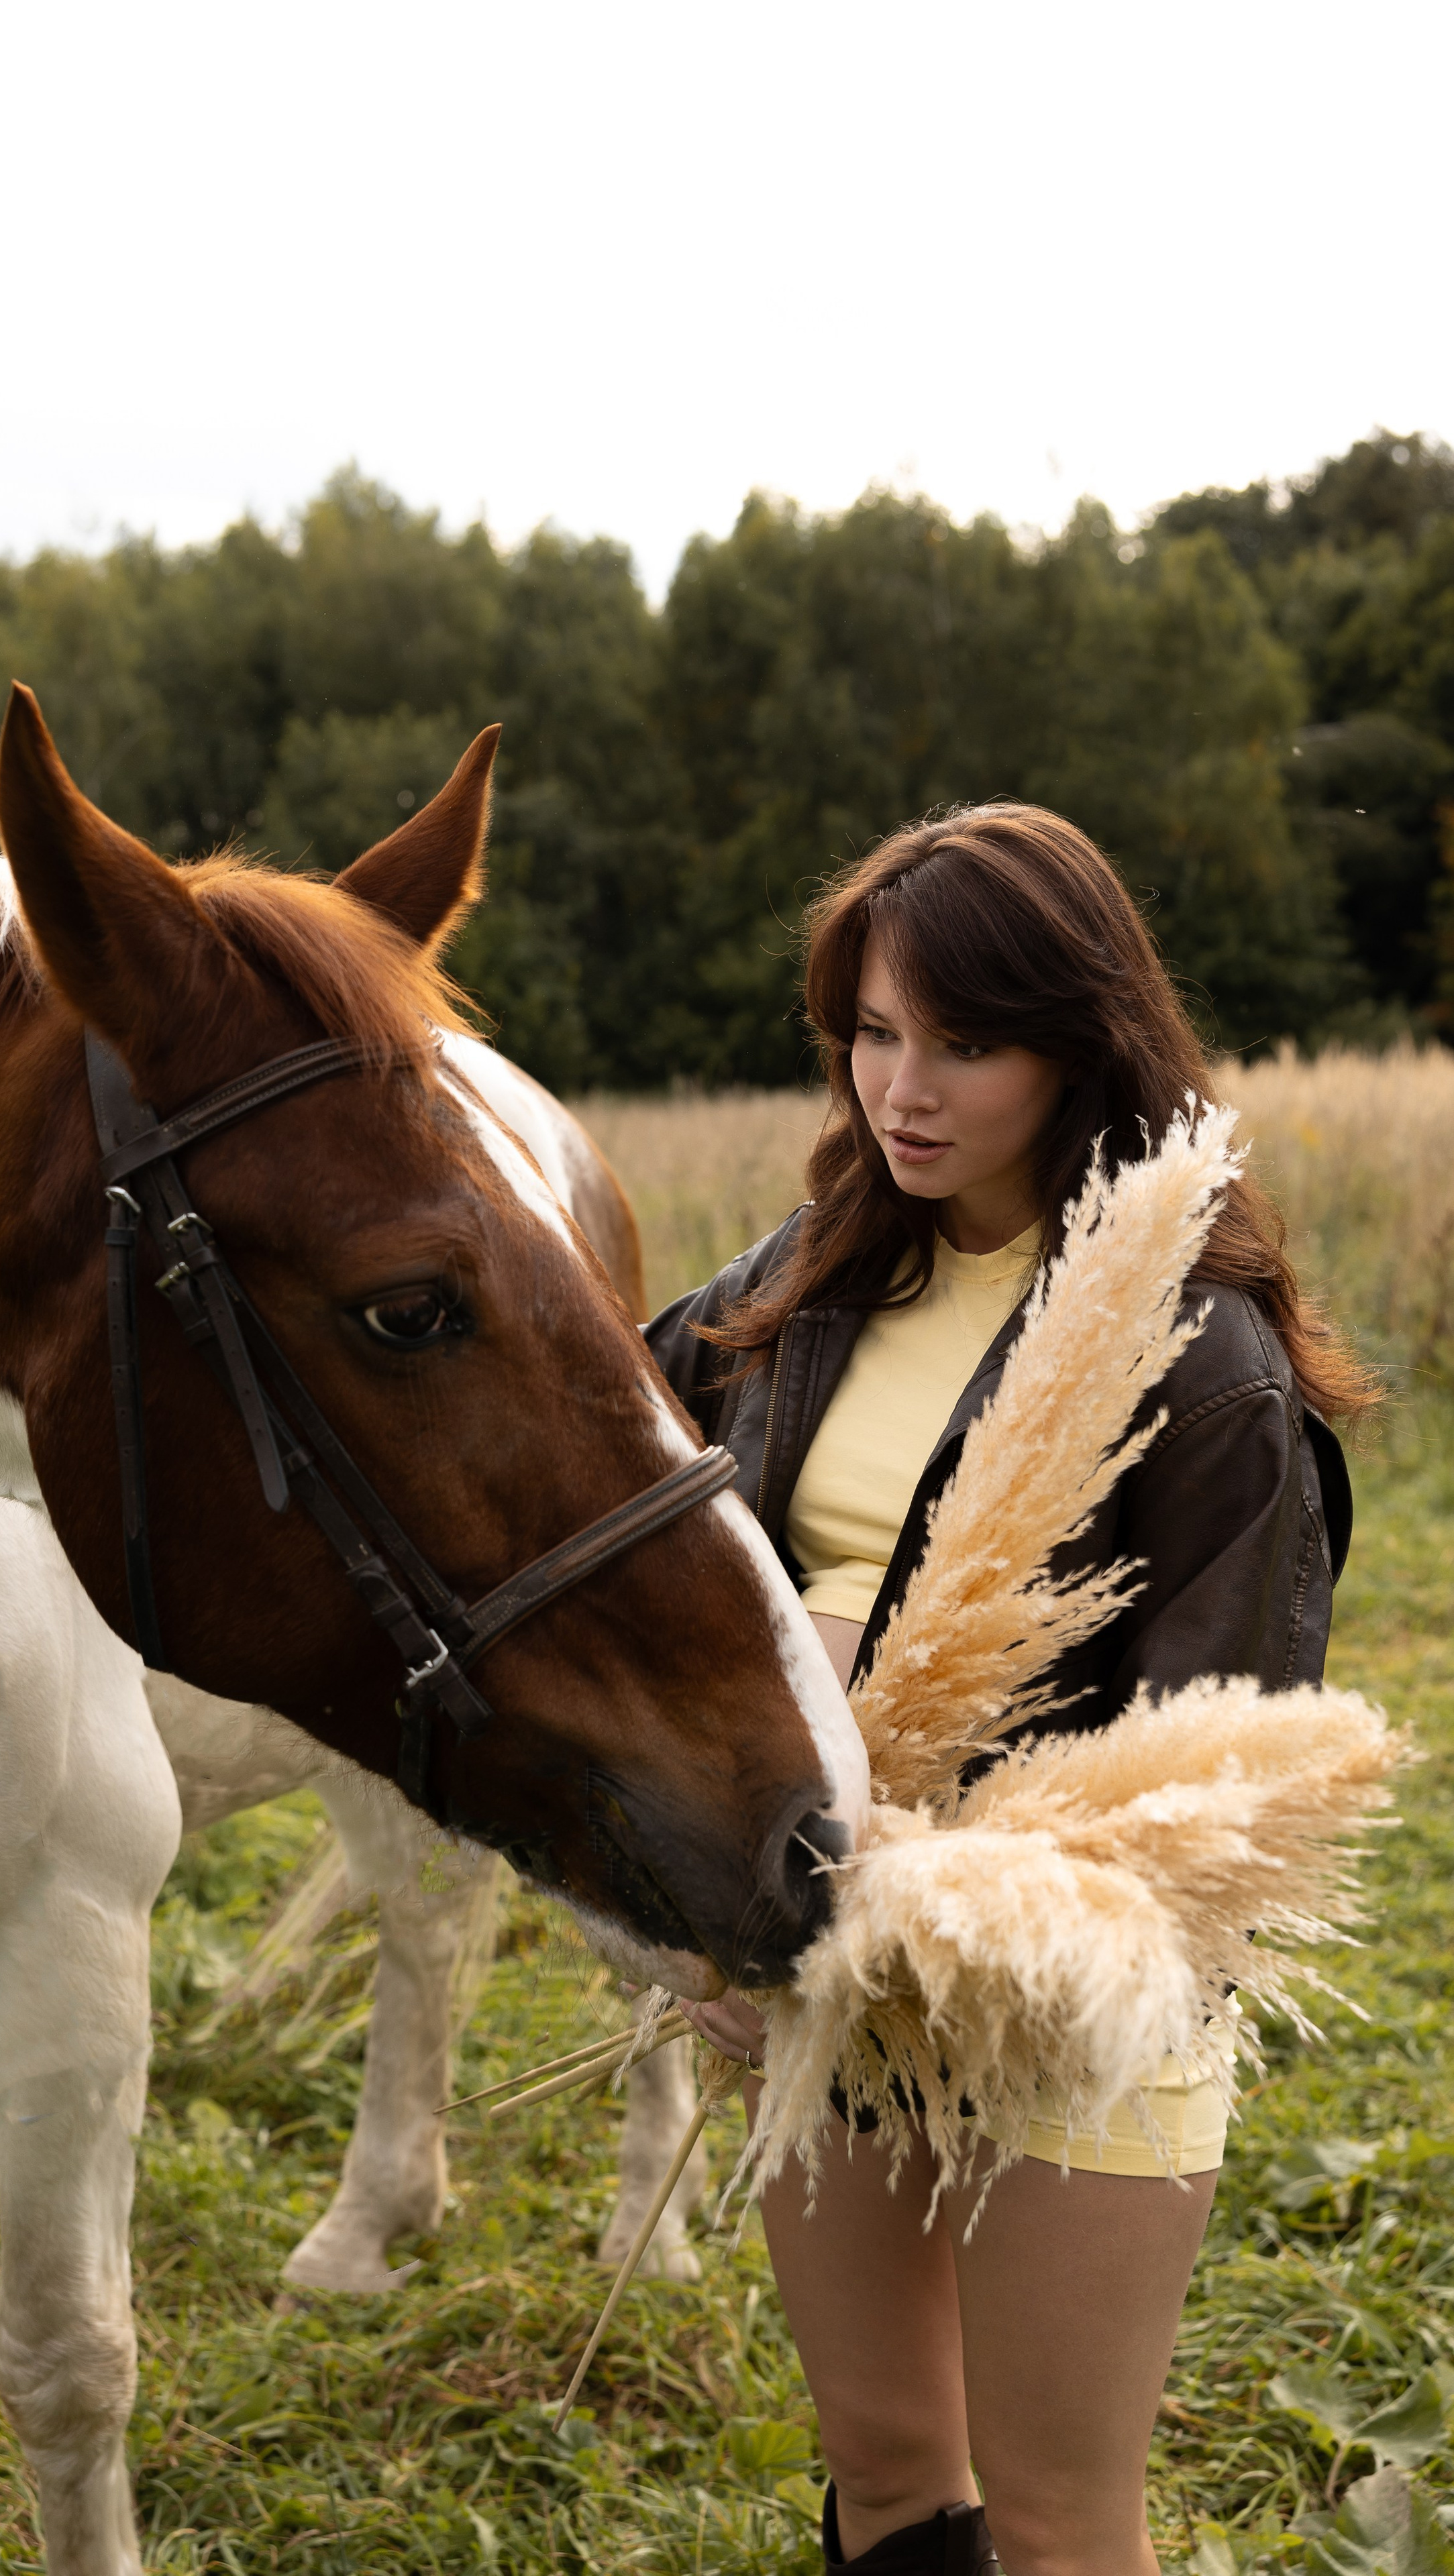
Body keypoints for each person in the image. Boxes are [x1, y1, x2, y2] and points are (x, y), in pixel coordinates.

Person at [646, 806, 1368, 2576]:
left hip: (1066, 2001)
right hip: (828, 1964)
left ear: (1081, 1041)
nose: (905, 1087)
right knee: (889, 2476)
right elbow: (620, 1526)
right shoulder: (802, 1284)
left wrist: (906, 1886)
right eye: (874, 1034)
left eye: (966, 1041)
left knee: (1051, 2526)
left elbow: (1212, 1788)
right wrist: (711, 1882)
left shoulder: (1200, 1359)